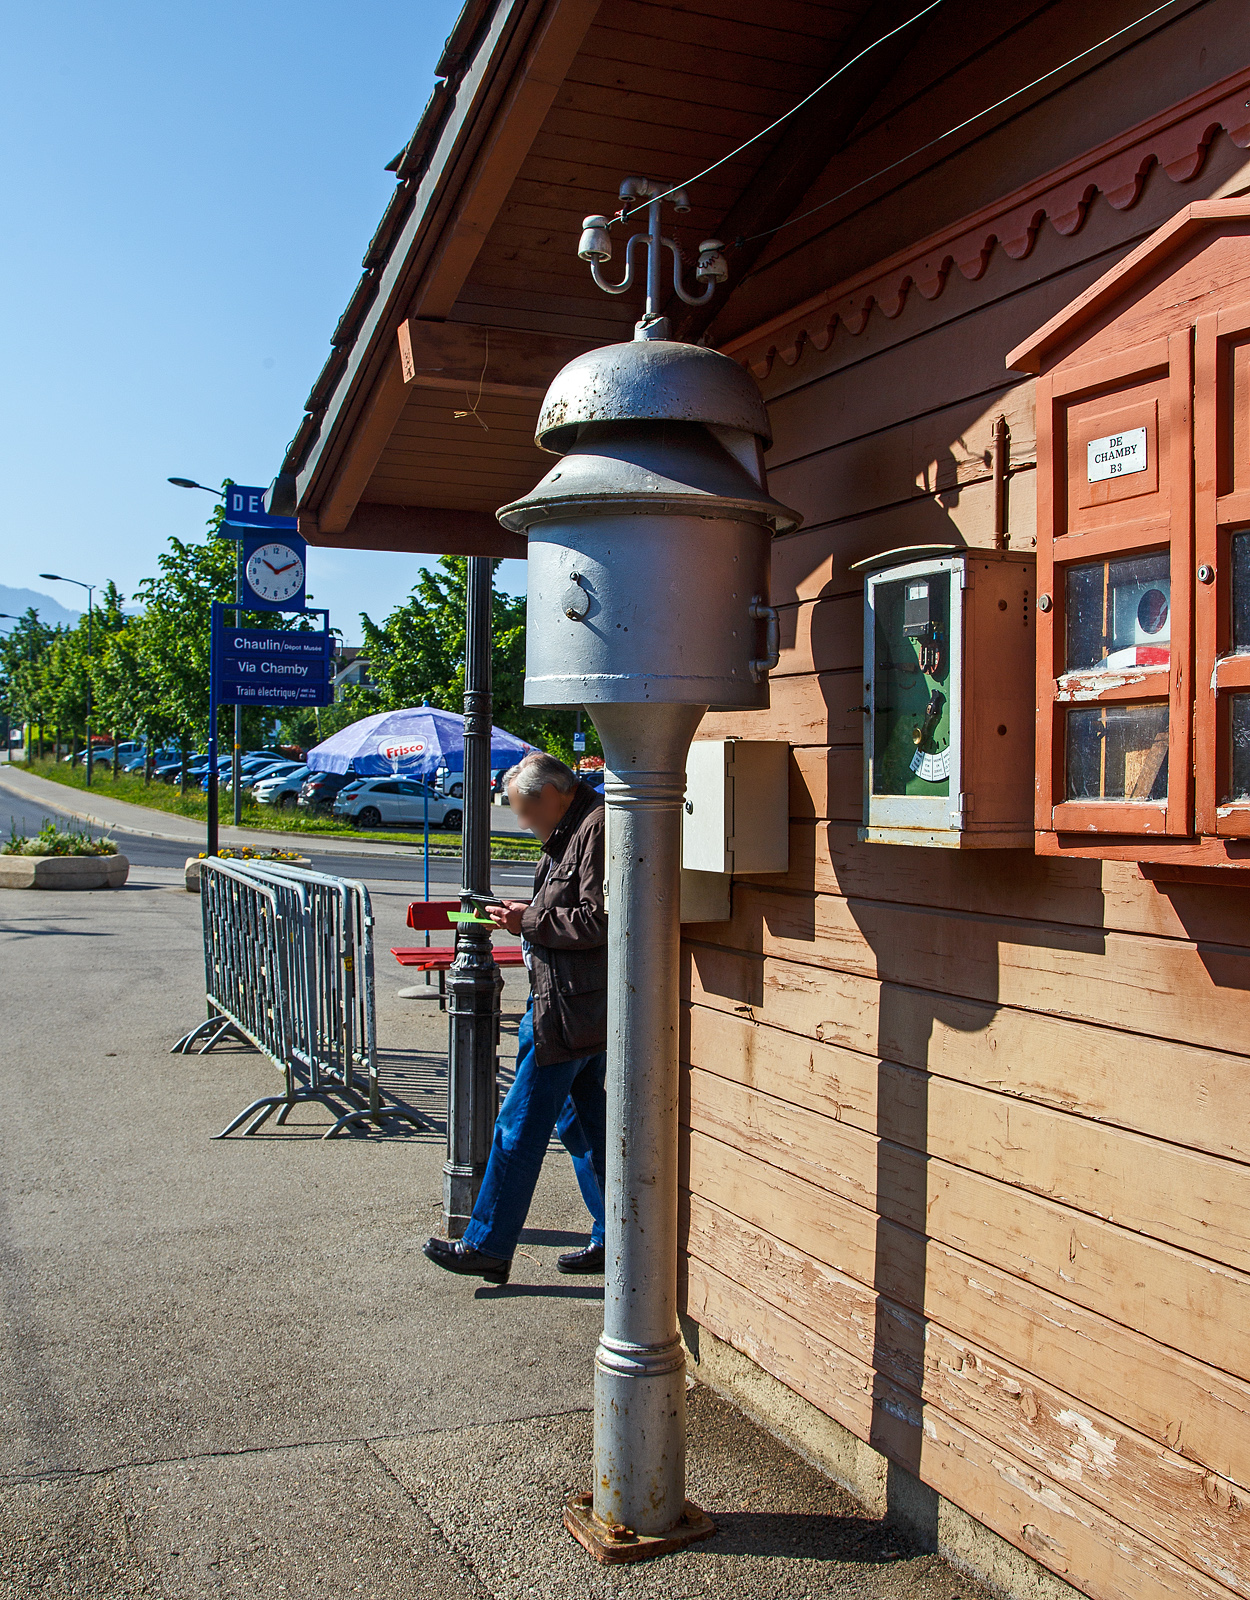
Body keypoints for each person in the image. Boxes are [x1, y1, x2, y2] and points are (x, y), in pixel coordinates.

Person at [423, 752, 608, 1285]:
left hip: (569, 1008)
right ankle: (615, 1234)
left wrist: (528, 920)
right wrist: (524, 917)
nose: (523, 822)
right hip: (569, 1003)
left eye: (525, 810)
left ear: (553, 794)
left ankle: (487, 1244)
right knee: (582, 1124)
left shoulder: (594, 828)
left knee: (517, 1125)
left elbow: (600, 920)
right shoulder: (575, 828)